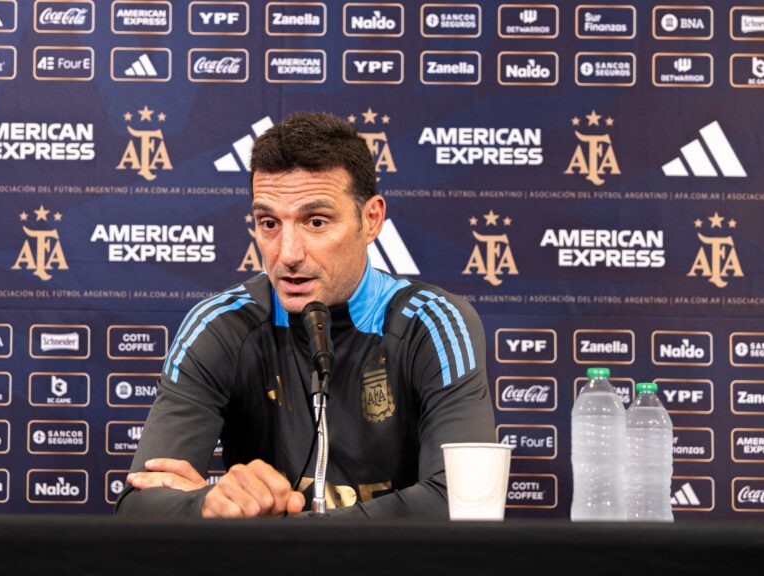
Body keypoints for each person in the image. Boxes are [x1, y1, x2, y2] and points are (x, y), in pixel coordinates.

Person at [116, 112, 493, 518]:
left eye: (316, 221)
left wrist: (280, 528)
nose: (288, 253)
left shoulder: (434, 324)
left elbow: (465, 502)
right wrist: (206, 505)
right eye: (269, 223)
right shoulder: (219, 326)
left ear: (371, 219)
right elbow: (138, 506)